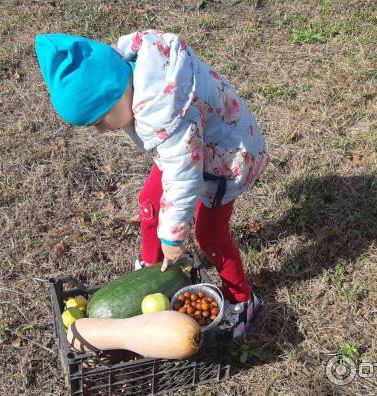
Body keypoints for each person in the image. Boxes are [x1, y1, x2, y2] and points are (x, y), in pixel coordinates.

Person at [35, 30, 269, 337]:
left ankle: (242, 300)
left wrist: (173, 238)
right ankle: (150, 269)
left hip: (224, 160)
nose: (101, 132)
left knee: (210, 236)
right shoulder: (131, 71)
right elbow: (177, 159)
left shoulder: (164, 114)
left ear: (116, 93)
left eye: (99, 122)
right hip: (186, 150)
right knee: (149, 199)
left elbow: (184, 177)